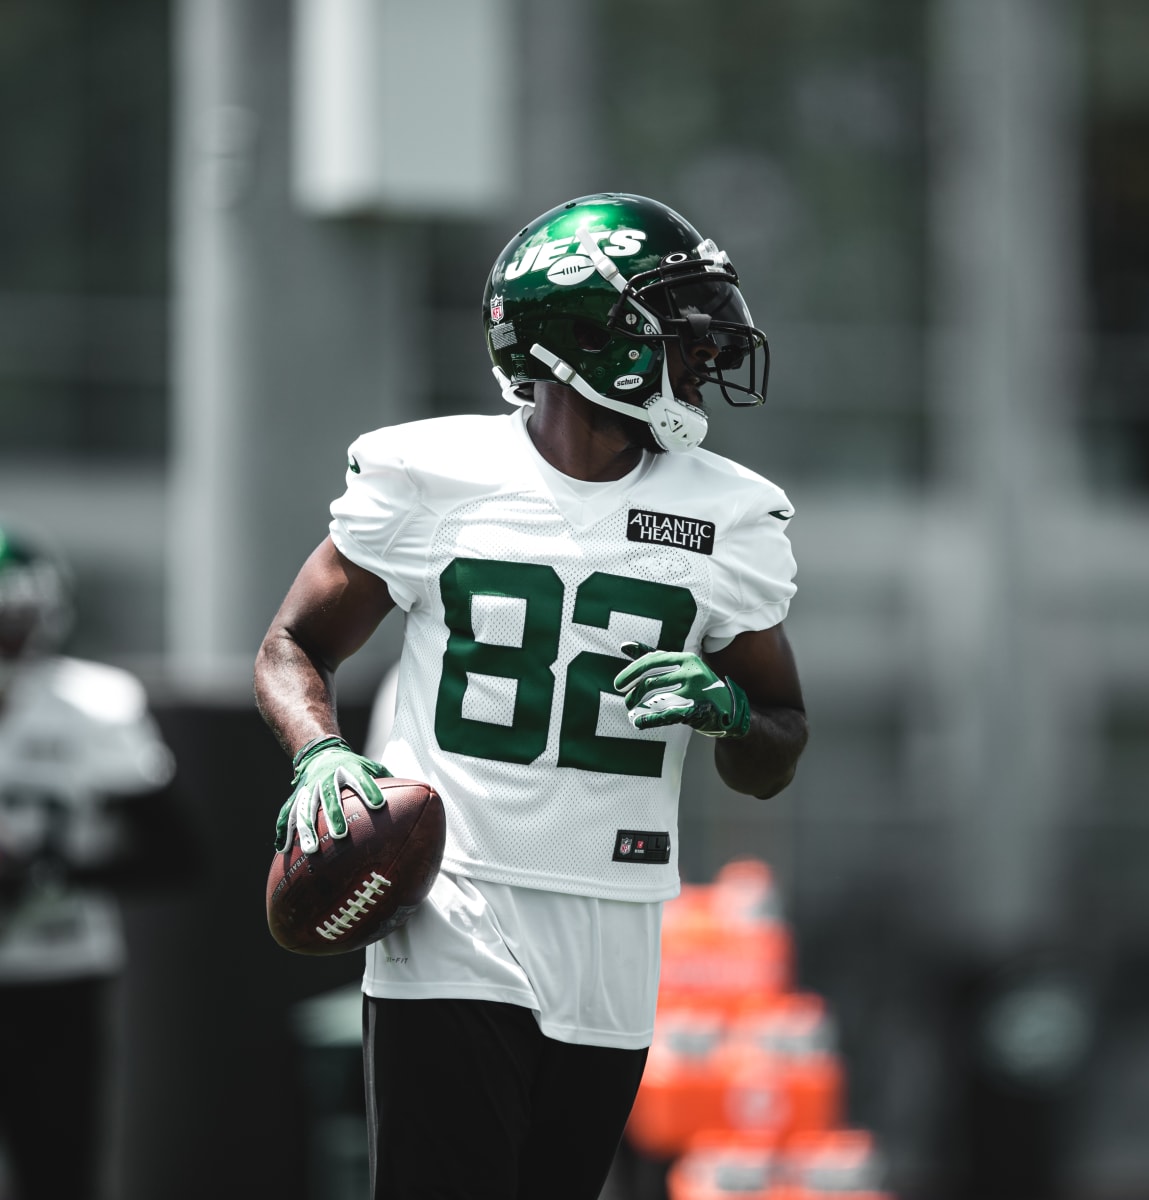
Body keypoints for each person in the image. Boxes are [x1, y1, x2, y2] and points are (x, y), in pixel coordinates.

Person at [253, 192, 809, 1200]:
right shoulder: (434, 475)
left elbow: (779, 743)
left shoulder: (729, 515)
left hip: (618, 920)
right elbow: (292, 645)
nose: (706, 355)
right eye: (677, 330)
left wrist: (728, 713)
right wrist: (320, 751)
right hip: (453, 905)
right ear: (590, 338)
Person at [0, 524, 197, 1200]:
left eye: (15, 620)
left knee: (58, 1168)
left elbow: (174, 854)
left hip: (58, 969)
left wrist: (52, 872)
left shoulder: (91, 705)